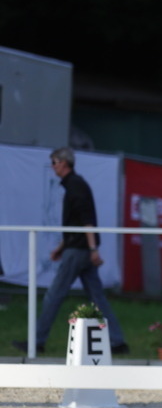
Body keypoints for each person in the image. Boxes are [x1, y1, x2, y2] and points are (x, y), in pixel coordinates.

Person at [12, 147, 129, 355]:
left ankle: (36, 341)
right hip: (78, 248)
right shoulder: (75, 185)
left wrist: (93, 249)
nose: (53, 166)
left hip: (78, 251)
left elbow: (87, 221)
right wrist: (61, 247)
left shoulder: (75, 186)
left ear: (64, 163)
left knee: (54, 295)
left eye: (55, 162)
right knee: (97, 298)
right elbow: (77, 225)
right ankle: (117, 341)